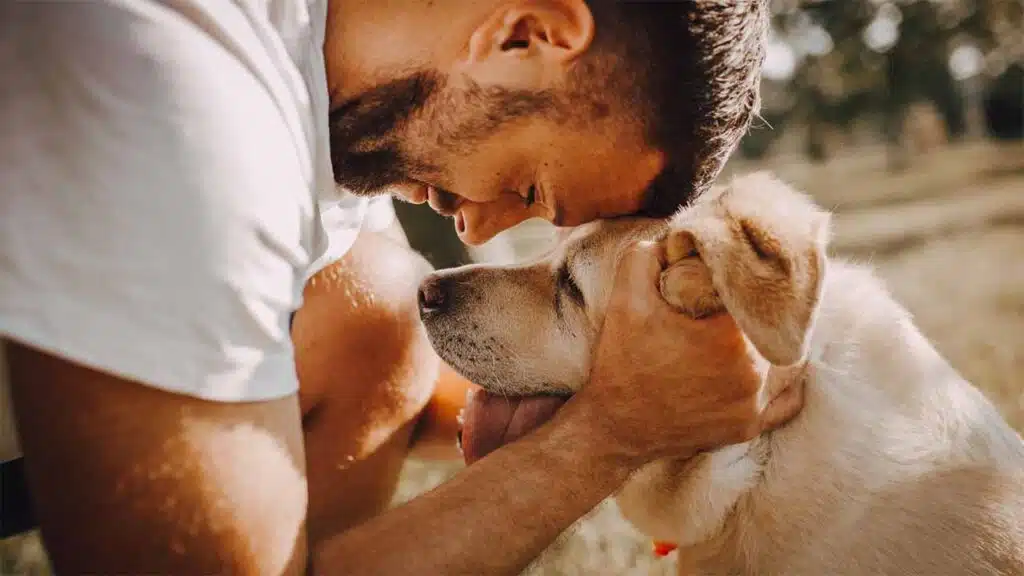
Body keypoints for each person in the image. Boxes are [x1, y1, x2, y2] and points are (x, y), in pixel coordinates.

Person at [0, 1, 799, 574]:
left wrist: (665, 392)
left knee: (375, 306)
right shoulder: (179, 94)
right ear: (526, 34)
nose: (478, 231)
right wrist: (608, 436)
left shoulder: (313, 80)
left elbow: (401, 378)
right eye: (527, 187)